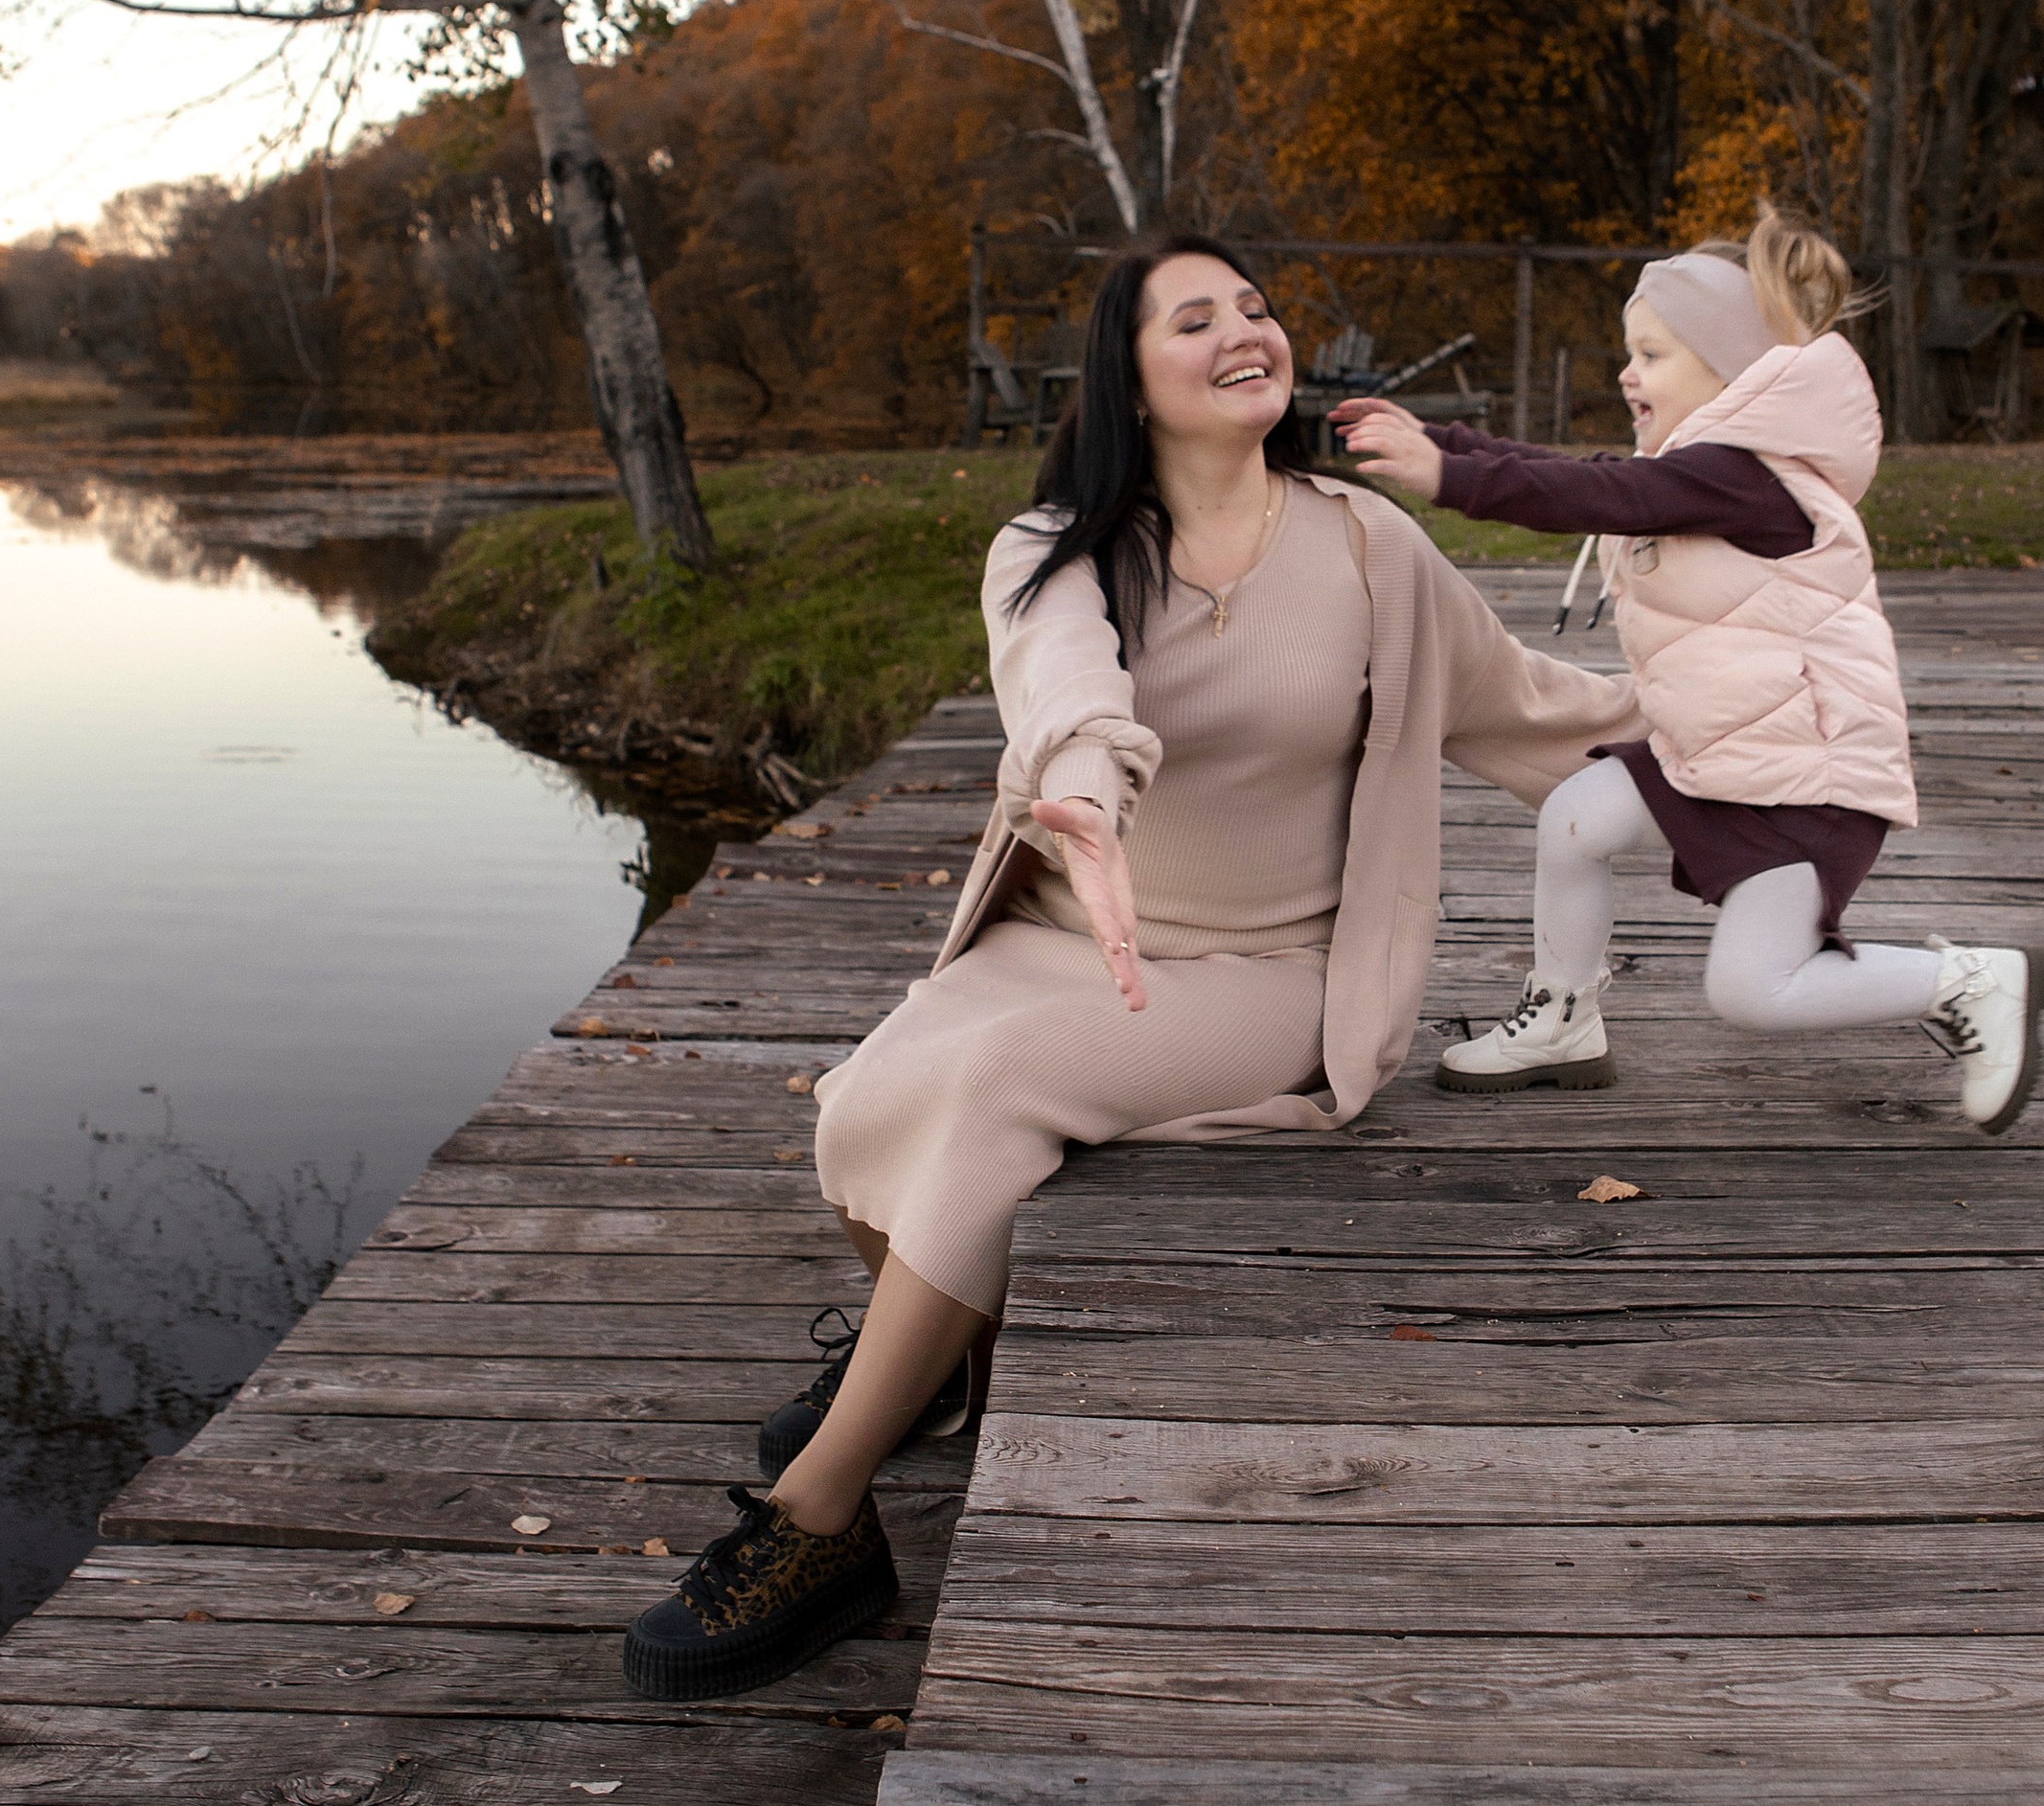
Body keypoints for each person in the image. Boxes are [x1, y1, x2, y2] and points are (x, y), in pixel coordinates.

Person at [623, 233, 1630, 1700]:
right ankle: (937, 1358)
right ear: (1130, 375)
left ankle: (823, 1515)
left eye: (1258, 309)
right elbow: (1067, 694)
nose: (1245, 332)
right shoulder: (1052, 550)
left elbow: (1538, 708)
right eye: (1194, 318)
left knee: (1000, 1086)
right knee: (856, 1112)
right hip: (1062, 934)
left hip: (1269, 973)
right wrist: (1084, 800)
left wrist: (1760, 741)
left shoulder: (1369, 548)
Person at [1332, 209, 2044, 1132]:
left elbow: (1605, 494)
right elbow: (1595, 474)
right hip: (1724, 750)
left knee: (1755, 991)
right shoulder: (1707, 470)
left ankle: (1969, 981)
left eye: (1654, 354)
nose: (1629, 374)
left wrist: (1451, 476)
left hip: (1805, 784)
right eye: (1629, 352)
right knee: (1577, 817)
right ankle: (1562, 1020)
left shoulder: (1747, 474)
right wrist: (1447, 440)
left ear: (1733, 369)